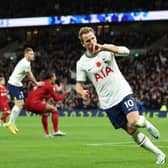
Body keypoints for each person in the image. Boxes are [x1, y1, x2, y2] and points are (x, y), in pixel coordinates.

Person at [76, 26, 166, 165]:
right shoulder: (82, 63)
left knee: (134, 121)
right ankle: (159, 154)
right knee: (131, 130)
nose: (92, 42)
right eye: (88, 41)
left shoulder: (106, 50)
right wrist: (82, 92)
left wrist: (106, 48)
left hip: (122, 92)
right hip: (107, 102)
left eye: (93, 38)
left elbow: (126, 51)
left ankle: (146, 123)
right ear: (83, 44)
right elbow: (79, 84)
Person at [5, 47, 41, 134]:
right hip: (13, 84)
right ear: (26, 54)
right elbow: (30, 76)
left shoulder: (27, 62)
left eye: (33, 54)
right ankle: (10, 123)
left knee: (20, 105)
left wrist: (35, 82)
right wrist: (36, 83)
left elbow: (30, 73)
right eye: (31, 54)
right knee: (19, 104)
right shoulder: (25, 63)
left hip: (17, 84)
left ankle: (12, 123)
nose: (33, 55)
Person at [25, 71, 71, 137]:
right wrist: (66, 93)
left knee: (45, 113)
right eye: (54, 76)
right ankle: (56, 131)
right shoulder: (49, 85)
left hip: (28, 104)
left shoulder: (43, 83)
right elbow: (57, 99)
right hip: (34, 103)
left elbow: (45, 95)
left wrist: (56, 90)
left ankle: (47, 134)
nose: (55, 78)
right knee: (54, 109)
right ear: (51, 78)